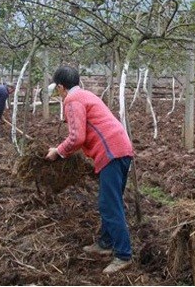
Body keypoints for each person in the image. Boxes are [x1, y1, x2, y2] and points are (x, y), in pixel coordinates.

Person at [45, 65, 134, 274]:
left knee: (109, 205)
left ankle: (123, 255)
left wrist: (58, 151)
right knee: (110, 201)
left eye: (57, 90)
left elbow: (77, 137)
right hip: (121, 148)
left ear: (60, 87)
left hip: (111, 152)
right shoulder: (85, 95)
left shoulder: (73, 100)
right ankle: (105, 244)